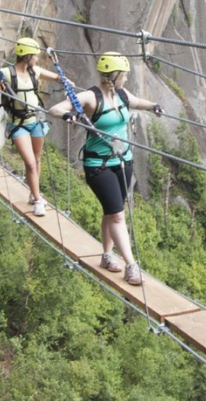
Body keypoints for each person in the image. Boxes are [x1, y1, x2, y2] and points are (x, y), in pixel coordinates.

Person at [49, 52, 163, 286]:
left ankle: (106, 255)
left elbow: (137, 102)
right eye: (124, 75)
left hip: (123, 162)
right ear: (114, 75)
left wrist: (153, 106)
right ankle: (131, 265)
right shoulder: (91, 97)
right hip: (98, 166)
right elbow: (56, 109)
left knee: (112, 211)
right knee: (118, 215)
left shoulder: (121, 94)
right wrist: (69, 115)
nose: (126, 79)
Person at [0, 38, 64, 217]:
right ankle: (38, 201)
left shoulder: (35, 72)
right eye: (35, 56)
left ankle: (33, 194)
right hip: (18, 125)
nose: (37, 59)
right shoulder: (6, 73)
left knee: (37, 160)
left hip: (36, 121)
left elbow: (56, 77)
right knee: (30, 163)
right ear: (28, 56)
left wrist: (67, 81)